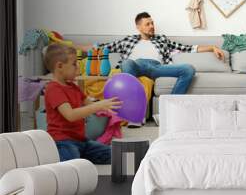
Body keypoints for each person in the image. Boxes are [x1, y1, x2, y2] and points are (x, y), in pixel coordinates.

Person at [81, 12, 225, 94]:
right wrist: (72, 48)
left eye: (152, 23)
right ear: (138, 27)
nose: (152, 26)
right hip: (135, 66)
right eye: (147, 24)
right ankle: (133, 104)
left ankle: (170, 106)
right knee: (126, 63)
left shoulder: (161, 39)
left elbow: (188, 48)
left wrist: (212, 47)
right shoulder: (128, 40)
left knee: (189, 69)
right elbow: (100, 47)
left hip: (157, 67)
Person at [44, 44, 122, 163]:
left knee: (115, 154)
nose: (78, 68)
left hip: (82, 141)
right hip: (62, 142)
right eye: (74, 64)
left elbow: (90, 104)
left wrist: (111, 105)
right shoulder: (53, 89)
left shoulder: (74, 87)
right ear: (59, 66)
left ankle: (80, 156)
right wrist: (99, 105)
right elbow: (70, 115)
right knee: (73, 163)